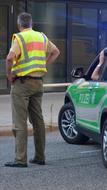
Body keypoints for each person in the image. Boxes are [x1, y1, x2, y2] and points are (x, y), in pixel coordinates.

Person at [5, 12, 60, 167]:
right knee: (38, 121)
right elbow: (56, 52)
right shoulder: (41, 36)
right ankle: (40, 157)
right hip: (38, 83)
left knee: (20, 123)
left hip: (22, 84)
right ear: (31, 23)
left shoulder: (20, 37)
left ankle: (20, 159)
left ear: (19, 24)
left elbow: (10, 58)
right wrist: (42, 65)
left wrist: (9, 75)